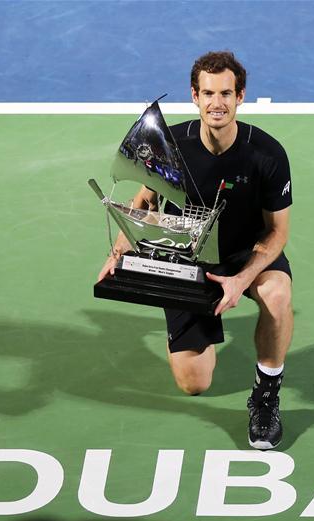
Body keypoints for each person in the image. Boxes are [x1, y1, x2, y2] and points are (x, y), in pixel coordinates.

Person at [98, 51, 293, 450]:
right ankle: (199, 315)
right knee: (194, 384)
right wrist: (119, 250)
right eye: (207, 93)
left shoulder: (267, 155)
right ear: (194, 95)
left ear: (240, 97)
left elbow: (277, 233)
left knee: (277, 293)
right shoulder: (173, 145)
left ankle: (266, 394)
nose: (216, 103)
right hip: (187, 257)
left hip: (245, 253)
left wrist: (241, 280)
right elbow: (144, 201)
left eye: (225, 93)